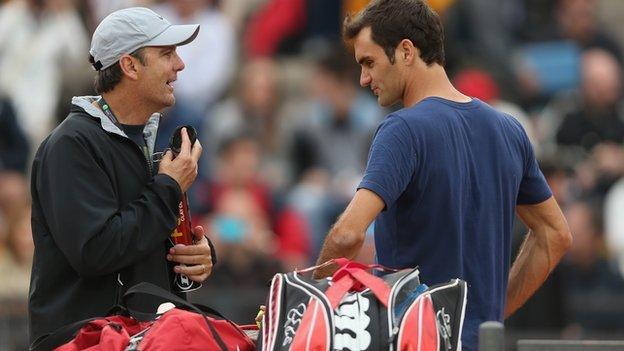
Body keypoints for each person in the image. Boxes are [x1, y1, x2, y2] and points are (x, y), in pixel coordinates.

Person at [311, 1, 572, 350]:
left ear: (406, 51)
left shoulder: (400, 130)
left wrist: (312, 308)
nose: (364, 79)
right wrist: (489, 314)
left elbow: (346, 235)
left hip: (415, 340)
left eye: (369, 62)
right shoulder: (510, 130)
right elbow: (555, 234)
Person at [28, 7, 213, 344]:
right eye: (166, 54)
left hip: (145, 335)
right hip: (84, 341)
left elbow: (140, 239)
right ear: (130, 66)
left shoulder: (145, 139)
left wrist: (196, 258)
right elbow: (97, 251)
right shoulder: (70, 145)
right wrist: (169, 187)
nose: (180, 64)